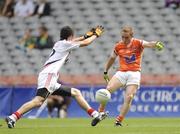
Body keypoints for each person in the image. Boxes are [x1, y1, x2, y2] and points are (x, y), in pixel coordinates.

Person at [5, 25, 108, 128]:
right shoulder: (64, 44)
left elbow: (75, 40)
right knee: (37, 101)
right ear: (70, 36)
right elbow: (86, 43)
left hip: (51, 78)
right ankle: (13, 117)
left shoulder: (60, 43)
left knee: (76, 93)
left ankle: (95, 115)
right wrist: (95, 35)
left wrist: (85, 35)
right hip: (49, 75)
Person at [99, 26, 164, 126]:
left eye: (126, 37)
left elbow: (149, 43)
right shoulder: (118, 46)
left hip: (134, 73)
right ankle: (100, 113)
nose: (124, 40)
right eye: (122, 37)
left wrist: (156, 44)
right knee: (107, 90)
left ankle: (118, 121)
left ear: (131, 36)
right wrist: (105, 71)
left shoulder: (138, 43)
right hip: (121, 72)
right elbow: (111, 58)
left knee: (129, 97)